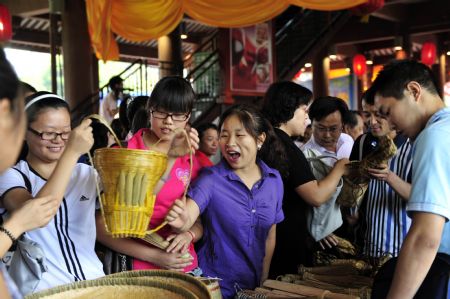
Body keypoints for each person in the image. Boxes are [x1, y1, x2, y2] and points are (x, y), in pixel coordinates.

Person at [165, 104, 284, 298]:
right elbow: (188, 216)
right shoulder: (210, 179)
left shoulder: (274, 179)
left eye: (239, 135)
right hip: (216, 288)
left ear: (259, 139)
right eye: (224, 134)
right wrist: (181, 222)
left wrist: (264, 281)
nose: (230, 142)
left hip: (254, 288)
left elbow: (270, 234)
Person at [96, 76, 206, 273]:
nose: (169, 121)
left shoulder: (192, 159)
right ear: (150, 109)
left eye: (178, 115)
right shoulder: (125, 152)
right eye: (161, 112)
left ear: (188, 117)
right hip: (137, 269)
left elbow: (199, 221)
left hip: (184, 266)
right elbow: (101, 226)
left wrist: (188, 233)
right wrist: (156, 257)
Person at [0, 91, 103, 294]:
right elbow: (38, 215)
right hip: (46, 292)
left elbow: (130, 205)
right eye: (48, 133)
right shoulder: (11, 176)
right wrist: (73, 152)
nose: (59, 140)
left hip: (97, 286)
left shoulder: (86, 173)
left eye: (66, 133)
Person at [370, 60, 450, 299]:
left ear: (414, 91)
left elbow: (425, 237)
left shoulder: (433, 137)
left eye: (387, 112)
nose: (389, 124)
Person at [259, 81, 348, 277]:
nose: (307, 117)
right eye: (304, 110)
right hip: (286, 238)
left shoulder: (266, 140)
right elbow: (316, 195)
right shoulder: (286, 147)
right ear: (289, 107)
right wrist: (340, 168)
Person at [0, 48, 60, 299]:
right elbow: (40, 210)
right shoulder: (13, 174)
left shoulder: (85, 172)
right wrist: (16, 224)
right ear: (5, 112)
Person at [349, 87, 413, 259]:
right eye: (367, 115)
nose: (372, 122)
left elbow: (424, 197)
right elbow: (352, 185)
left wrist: (389, 177)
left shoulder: (413, 145)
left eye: (379, 115)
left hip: (403, 247)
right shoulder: (362, 143)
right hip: (365, 243)